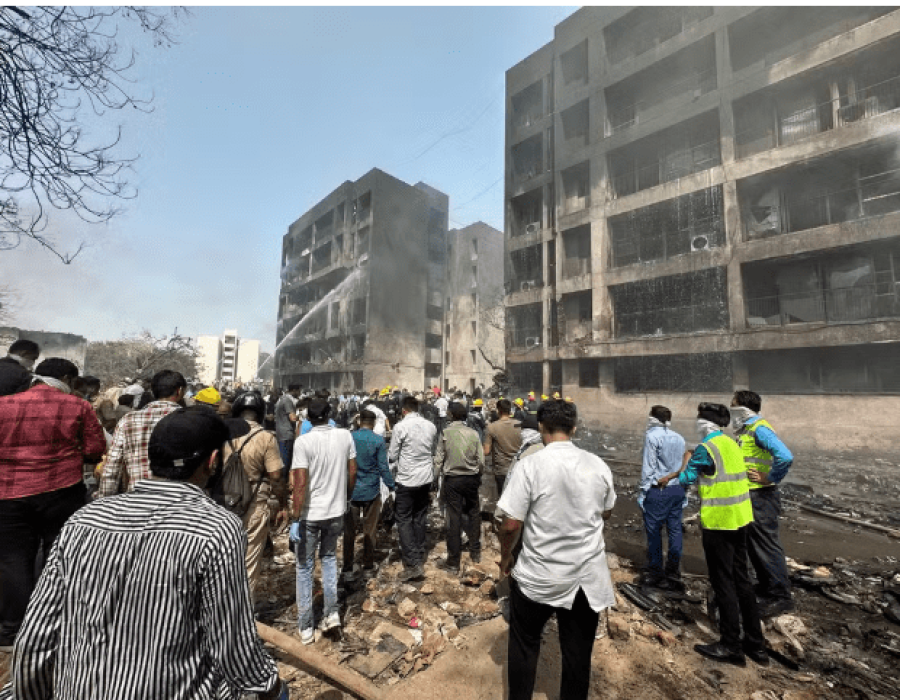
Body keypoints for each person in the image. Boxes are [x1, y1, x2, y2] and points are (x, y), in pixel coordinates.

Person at [0, 406, 288, 699]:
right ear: (211, 462)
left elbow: (36, 636)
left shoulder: (85, 519)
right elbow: (232, 643)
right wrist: (270, 686)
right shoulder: (215, 527)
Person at [497, 399, 616, 700]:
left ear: (540, 427)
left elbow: (510, 524)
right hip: (585, 580)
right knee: (577, 657)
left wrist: (505, 556)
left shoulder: (530, 465)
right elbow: (607, 511)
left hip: (539, 575)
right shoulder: (597, 464)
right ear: (574, 428)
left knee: (524, 646)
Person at [0, 359, 106, 651]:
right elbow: (95, 449)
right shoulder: (78, 406)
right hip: (61, 490)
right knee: (56, 557)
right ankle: (51, 626)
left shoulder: (3, 404)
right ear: (66, 378)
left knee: (12, 560)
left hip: (8, 493)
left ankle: (12, 630)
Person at [659, 402, 766, 666]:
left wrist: (686, 460)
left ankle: (730, 645)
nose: (695, 424)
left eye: (697, 420)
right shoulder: (732, 443)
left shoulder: (706, 449)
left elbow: (685, 479)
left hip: (719, 523)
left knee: (723, 583)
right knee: (742, 580)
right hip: (742, 519)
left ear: (705, 425)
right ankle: (756, 645)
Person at [290, 399, 357, 644]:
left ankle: (306, 626)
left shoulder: (303, 442)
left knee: (304, 568)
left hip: (310, 514)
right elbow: (352, 471)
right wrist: (346, 497)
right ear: (329, 415)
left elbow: (299, 483)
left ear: (308, 418)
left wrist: (295, 518)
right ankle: (332, 614)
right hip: (335, 510)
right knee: (329, 560)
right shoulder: (344, 436)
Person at [731, 390, 795, 618]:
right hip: (751, 495)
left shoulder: (760, 429)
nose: (730, 410)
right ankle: (767, 587)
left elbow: (785, 456)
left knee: (766, 546)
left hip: (761, 496)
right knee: (755, 546)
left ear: (744, 409)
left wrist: (770, 477)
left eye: (733, 406)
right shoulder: (747, 430)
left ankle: (780, 596)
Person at [223, 392, 289, 601]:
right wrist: (282, 503)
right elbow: (276, 476)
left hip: (222, 501)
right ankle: (243, 615)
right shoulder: (265, 437)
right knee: (249, 561)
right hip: (254, 502)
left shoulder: (222, 434)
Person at [99, 370, 187, 497]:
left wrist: (104, 500)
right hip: (177, 501)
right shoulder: (189, 421)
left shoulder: (128, 420)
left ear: (152, 391)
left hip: (136, 500)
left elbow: (112, 467)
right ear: (180, 391)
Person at [638, 405, 688, 591]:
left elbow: (648, 467)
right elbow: (682, 465)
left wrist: (643, 492)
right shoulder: (679, 437)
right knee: (674, 530)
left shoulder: (652, 437)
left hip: (658, 490)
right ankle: (673, 572)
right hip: (677, 490)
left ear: (652, 418)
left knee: (654, 532)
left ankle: (655, 572)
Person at [388, 395, 437, 582]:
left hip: (407, 479)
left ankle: (412, 563)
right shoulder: (430, 426)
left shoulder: (400, 427)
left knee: (403, 519)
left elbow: (392, 455)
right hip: (425, 478)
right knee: (420, 516)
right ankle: (419, 552)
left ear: (403, 410)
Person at [434, 402, 484, 575]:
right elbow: (481, 460)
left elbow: (439, 458)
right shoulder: (473, 433)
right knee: (474, 513)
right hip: (471, 478)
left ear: (451, 415)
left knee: (454, 517)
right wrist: (479, 476)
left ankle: (453, 562)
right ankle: (475, 551)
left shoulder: (446, 433)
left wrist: (434, 478)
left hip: (452, 480)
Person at [343, 409, 395, 574]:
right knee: (370, 529)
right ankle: (368, 564)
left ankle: (347, 566)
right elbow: (383, 467)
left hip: (352, 490)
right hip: (371, 490)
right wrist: (391, 486)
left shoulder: (350, 438)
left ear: (360, 421)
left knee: (349, 530)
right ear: (373, 423)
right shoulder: (378, 440)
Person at [483, 398, 522, 497]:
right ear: (510, 410)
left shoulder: (492, 427)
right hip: (518, 467)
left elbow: (486, 451)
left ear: (498, 411)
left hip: (501, 469)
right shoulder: (519, 425)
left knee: (503, 498)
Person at [275, 385, 301, 476]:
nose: (300, 393)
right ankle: (283, 481)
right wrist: (302, 416)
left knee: (283, 459)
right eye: (299, 390)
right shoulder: (287, 401)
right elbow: (293, 418)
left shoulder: (282, 399)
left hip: (281, 433)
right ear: (294, 390)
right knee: (286, 460)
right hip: (286, 434)